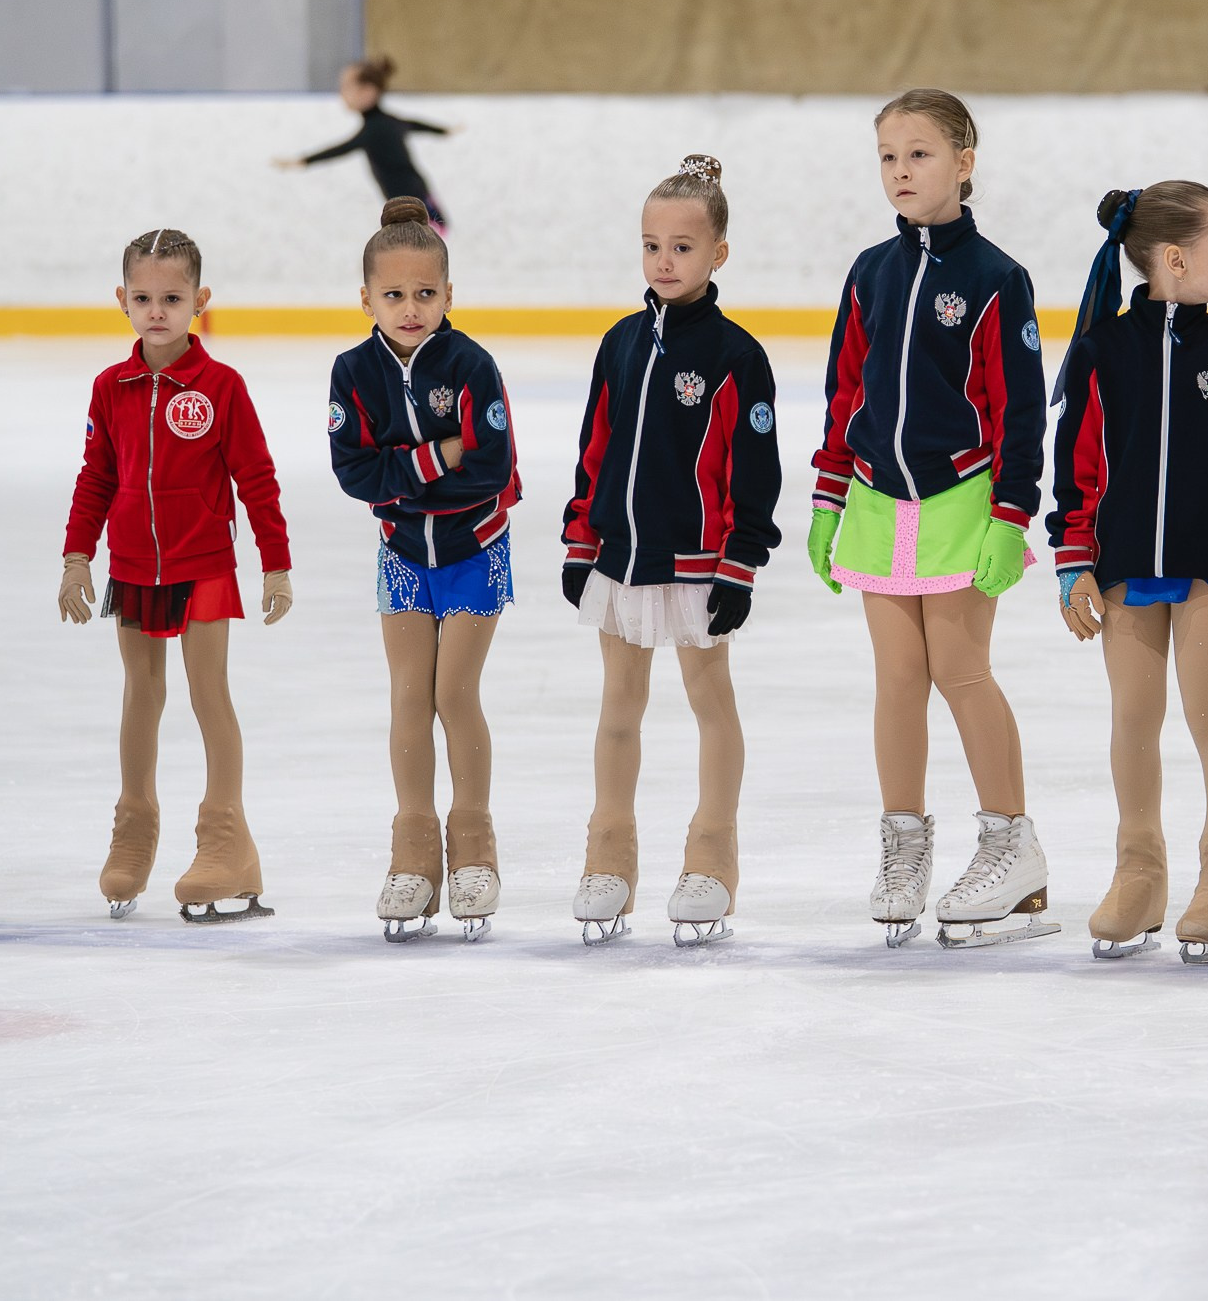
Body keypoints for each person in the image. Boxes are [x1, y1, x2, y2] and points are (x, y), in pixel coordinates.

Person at [810, 89, 1051, 949]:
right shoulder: (869, 270)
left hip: (961, 502)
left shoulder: (994, 278)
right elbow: (845, 386)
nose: (901, 170)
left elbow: (1023, 409)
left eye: (919, 153)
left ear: (963, 162)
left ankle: (1011, 846)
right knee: (898, 681)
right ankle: (904, 846)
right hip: (876, 500)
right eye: (887, 156)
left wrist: (1011, 515)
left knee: (960, 669)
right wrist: (830, 494)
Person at [1049, 181, 1208, 964]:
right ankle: (1139, 870)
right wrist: (1074, 561)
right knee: (1133, 715)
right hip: (1121, 568)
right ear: (1175, 258)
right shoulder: (1102, 350)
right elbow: (1076, 465)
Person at [559, 156, 781, 947]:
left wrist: (741, 561)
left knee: (708, 700)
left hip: (699, 564)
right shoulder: (621, 343)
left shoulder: (736, 356)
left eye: (682, 247)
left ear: (718, 252)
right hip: (621, 557)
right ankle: (608, 854)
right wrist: (581, 539)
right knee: (619, 706)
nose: (664, 260)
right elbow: (596, 446)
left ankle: (712, 857)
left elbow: (756, 470)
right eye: (651, 244)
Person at [59, 229, 294, 923]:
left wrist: (275, 563)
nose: (156, 310)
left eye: (172, 297)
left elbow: (257, 478)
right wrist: (77, 555)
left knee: (208, 693)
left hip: (204, 564)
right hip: (133, 566)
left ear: (200, 300)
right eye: (143, 297)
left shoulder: (221, 386)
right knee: (141, 691)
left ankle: (225, 836)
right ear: (121, 301)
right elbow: (96, 478)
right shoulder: (111, 387)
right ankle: (135, 826)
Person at [327, 197, 520, 942]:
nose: (411, 309)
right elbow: (354, 472)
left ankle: (473, 845)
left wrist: (402, 470)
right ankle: (413, 852)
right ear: (367, 297)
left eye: (426, 294)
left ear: (449, 294)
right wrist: (438, 454)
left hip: (475, 547)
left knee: (453, 691)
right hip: (404, 555)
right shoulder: (353, 372)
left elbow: (491, 468)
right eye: (394, 295)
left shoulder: (472, 365)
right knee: (410, 696)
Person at [278, 55, 460, 229]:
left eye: (347, 87)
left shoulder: (376, 130)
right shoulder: (389, 123)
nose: (342, 93)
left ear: (368, 92)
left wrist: (302, 161)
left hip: (416, 210)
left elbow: (340, 149)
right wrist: (444, 131)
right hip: (419, 201)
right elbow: (414, 124)